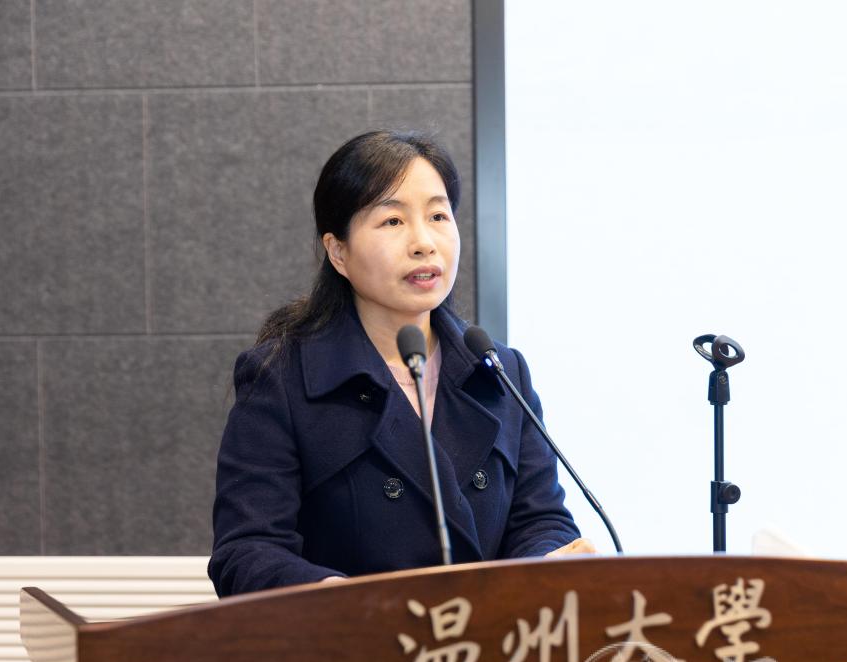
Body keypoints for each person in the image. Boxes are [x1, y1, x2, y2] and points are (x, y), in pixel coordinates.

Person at [208, 130, 594, 597]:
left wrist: (549, 562)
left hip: (486, 636)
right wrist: (342, 602)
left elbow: (541, 520)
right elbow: (247, 552)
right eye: (393, 221)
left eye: (438, 216)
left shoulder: (499, 372)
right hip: (354, 638)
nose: (423, 242)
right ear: (338, 252)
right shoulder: (283, 377)